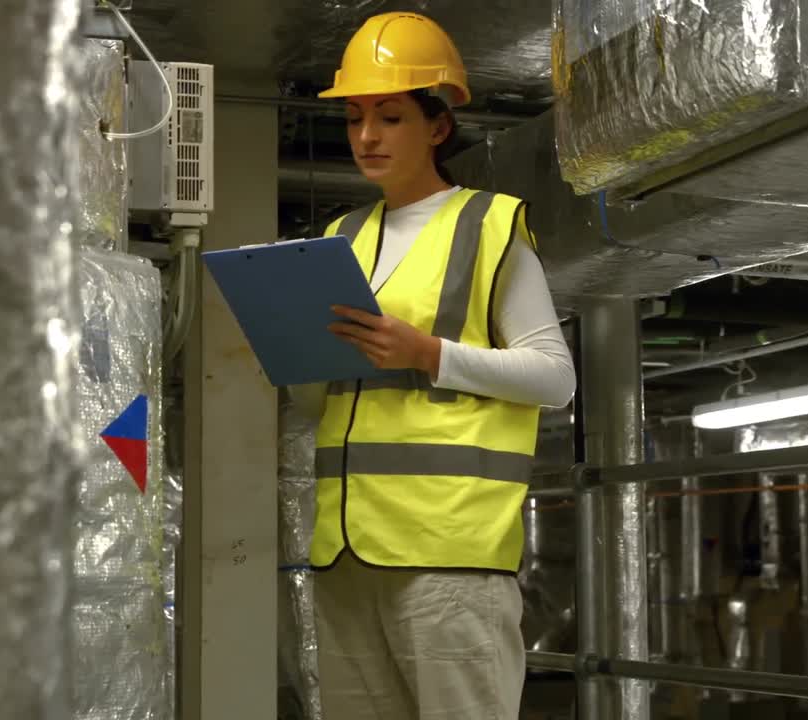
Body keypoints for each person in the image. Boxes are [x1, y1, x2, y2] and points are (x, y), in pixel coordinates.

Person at [286, 11, 577, 720]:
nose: (367, 137)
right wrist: (295, 355)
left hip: (450, 553)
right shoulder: (339, 238)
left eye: (389, 117)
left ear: (437, 126)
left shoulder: (489, 226)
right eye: (356, 118)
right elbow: (318, 407)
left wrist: (430, 355)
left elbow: (555, 378)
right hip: (347, 553)